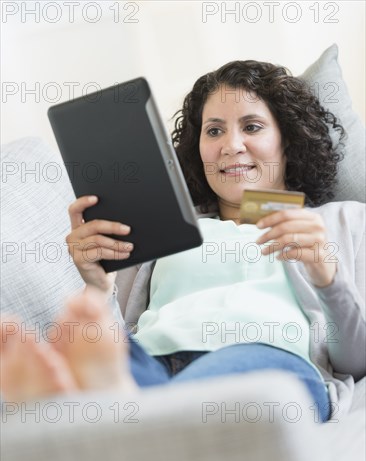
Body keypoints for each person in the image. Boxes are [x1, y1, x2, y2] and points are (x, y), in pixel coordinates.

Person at [1, 60, 365, 422]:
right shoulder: (165, 227)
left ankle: (108, 412)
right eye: (214, 131)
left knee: (217, 383)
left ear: (289, 138)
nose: (231, 145)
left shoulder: (341, 221)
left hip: (270, 362)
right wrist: (96, 286)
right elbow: (121, 325)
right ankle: (124, 404)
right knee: (119, 353)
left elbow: (357, 359)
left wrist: (328, 279)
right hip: (153, 358)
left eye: (251, 126)